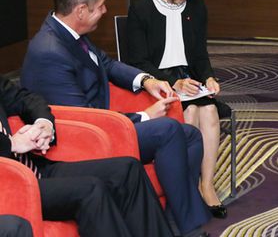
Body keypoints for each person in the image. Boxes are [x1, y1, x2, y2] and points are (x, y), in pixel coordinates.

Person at [20, 0, 211, 237]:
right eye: (101, 6)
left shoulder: (69, 34)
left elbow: (106, 64)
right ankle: (189, 228)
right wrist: (144, 116)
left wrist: (147, 80)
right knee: (167, 130)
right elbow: (81, 118)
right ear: (81, 10)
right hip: (84, 140)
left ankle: (173, 218)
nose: (106, 10)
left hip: (104, 124)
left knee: (191, 136)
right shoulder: (50, 53)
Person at [0, 75, 173, 237]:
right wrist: (12, 144)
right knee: (90, 190)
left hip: (35, 169)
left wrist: (43, 124)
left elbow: (27, 99)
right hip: (8, 184)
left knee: (127, 169)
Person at [126, 0, 226, 218]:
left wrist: (208, 76)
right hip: (154, 81)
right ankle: (186, 187)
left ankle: (206, 185)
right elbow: (137, 62)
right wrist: (173, 82)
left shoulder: (196, 7)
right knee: (190, 110)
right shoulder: (141, 9)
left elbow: (199, 54)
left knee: (210, 110)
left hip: (188, 79)